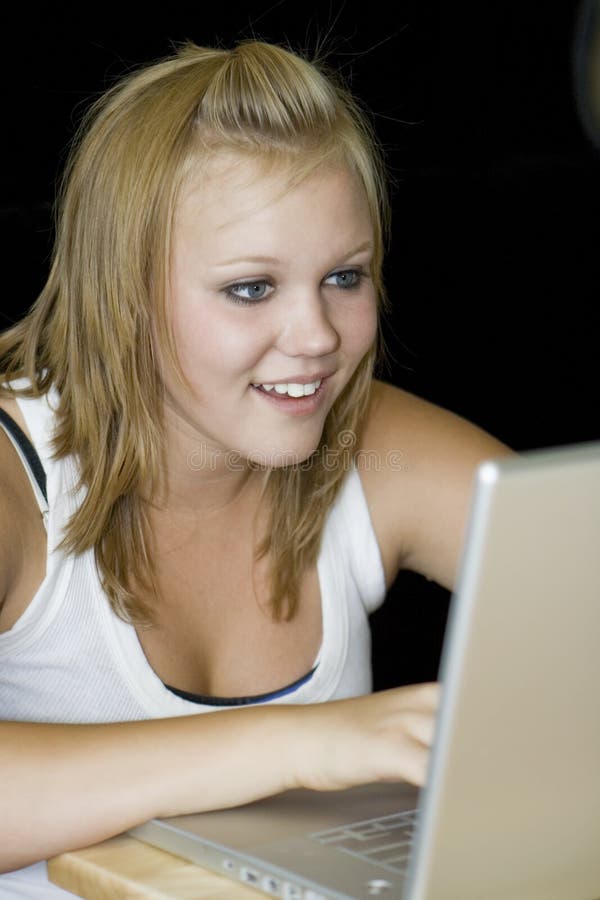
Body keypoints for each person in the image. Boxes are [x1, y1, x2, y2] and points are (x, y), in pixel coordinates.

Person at [0, 38, 511, 896]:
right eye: (251, 288)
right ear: (121, 291)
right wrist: (308, 742)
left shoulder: (366, 436)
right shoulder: (15, 475)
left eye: (344, 276)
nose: (317, 338)